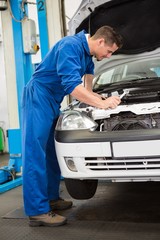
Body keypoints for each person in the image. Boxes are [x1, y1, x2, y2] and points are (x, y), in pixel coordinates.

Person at [21, 25, 123, 227]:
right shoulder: (70, 46)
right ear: (101, 41)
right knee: (35, 153)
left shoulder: (88, 53)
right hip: (39, 97)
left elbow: (87, 81)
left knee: (51, 152)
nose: (109, 56)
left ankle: (51, 199)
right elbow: (71, 86)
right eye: (110, 51)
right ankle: (37, 211)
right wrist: (101, 104)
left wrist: (96, 96)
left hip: (52, 100)